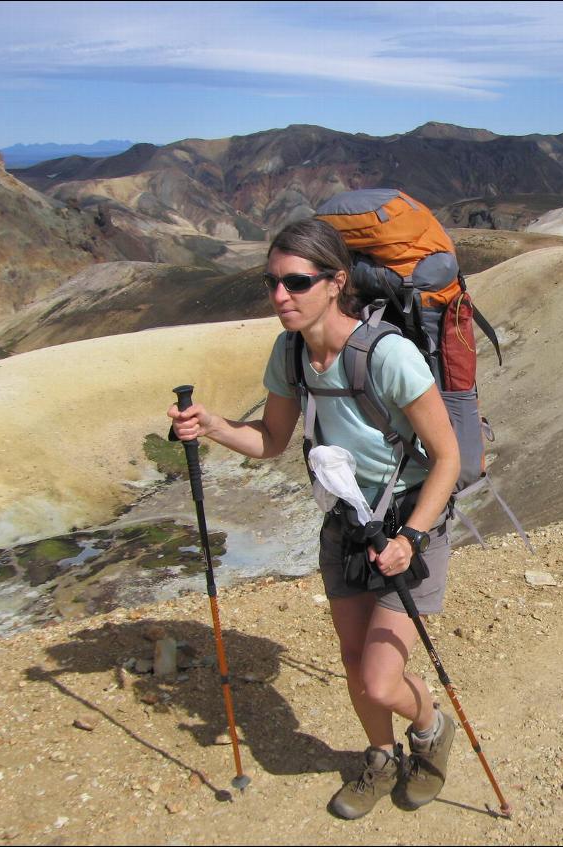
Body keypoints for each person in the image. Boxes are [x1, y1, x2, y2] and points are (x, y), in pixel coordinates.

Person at [168, 218, 460, 819]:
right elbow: (274, 438)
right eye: (272, 283)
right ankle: (381, 758)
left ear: (336, 283)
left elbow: (448, 456)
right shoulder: (291, 351)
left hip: (408, 521)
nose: (280, 297)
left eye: (296, 282)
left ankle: (430, 731)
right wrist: (215, 426)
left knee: (382, 679)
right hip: (346, 524)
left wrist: (412, 536)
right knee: (356, 666)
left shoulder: (389, 354)